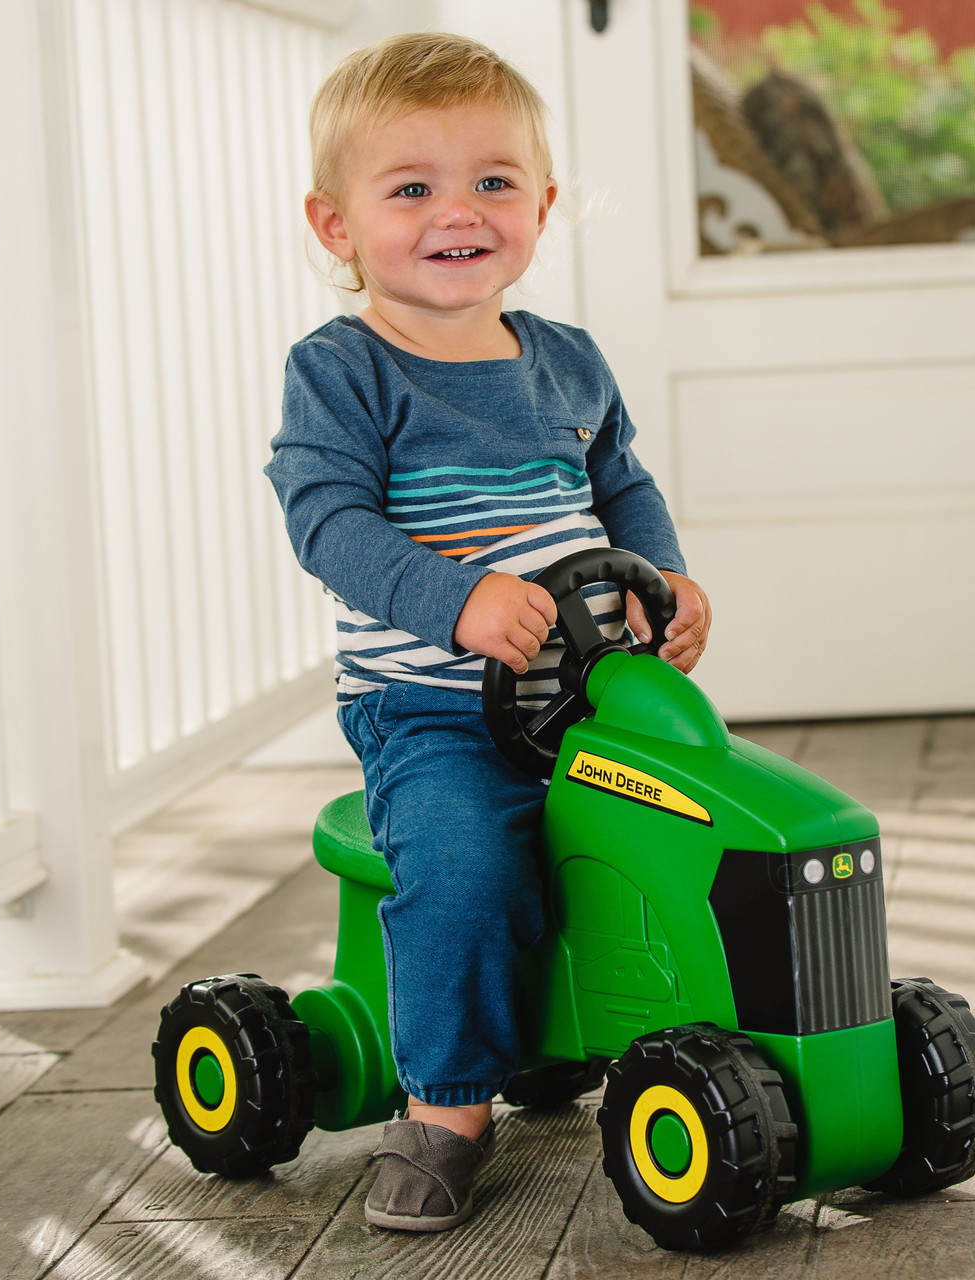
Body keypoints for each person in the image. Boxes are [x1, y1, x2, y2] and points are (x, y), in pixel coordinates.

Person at [265, 31, 712, 1233]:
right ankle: (449, 1102)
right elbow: (327, 523)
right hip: (432, 711)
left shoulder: (565, 359)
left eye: (492, 181)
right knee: (464, 867)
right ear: (335, 223)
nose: (456, 211)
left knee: (683, 826)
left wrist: (664, 569)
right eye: (410, 187)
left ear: (542, 203)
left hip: (588, 689)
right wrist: (456, 601)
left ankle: (655, 1022)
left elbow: (620, 484)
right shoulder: (346, 370)